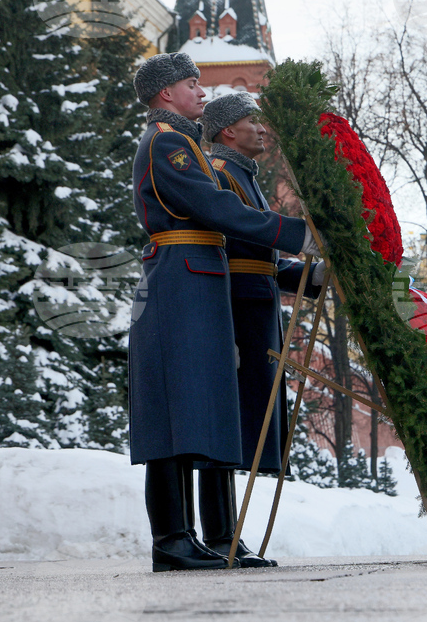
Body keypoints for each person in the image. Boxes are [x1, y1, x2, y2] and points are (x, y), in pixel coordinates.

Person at [129, 53, 319, 572]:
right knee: (175, 413)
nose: (202, 93)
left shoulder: (180, 141)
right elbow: (218, 209)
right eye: (193, 84)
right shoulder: (168, 142)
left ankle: (193, 537)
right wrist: (298, 234)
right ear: (167, 93)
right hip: (180, 276)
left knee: (193, 411)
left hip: (195, 276)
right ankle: (172, 538)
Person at [195, 92, 325, 568]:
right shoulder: (221, 175)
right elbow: (228, 258)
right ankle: (221, 535)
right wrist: (221, 327)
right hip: (237, 313)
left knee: (243, 423)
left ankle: (227, 535)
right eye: (252, 120)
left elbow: (261, 261)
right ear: (228, 130)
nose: (262, 128)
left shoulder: (243, 176)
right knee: (227, 424)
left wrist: (311, 277)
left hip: (256, 311)